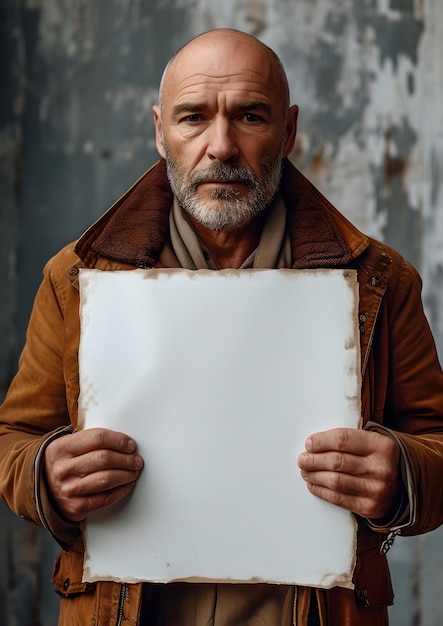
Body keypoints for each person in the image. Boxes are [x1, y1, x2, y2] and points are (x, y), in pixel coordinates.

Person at [0, 28, 443, 626]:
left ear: (288, 132)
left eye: (249, 116)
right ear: (160, 131)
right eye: (192, 118)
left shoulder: (381, 282)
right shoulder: (75, 279)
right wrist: (46, 475)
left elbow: (436, 440)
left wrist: (403, 474)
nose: (221, 146)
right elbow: (15, 438)